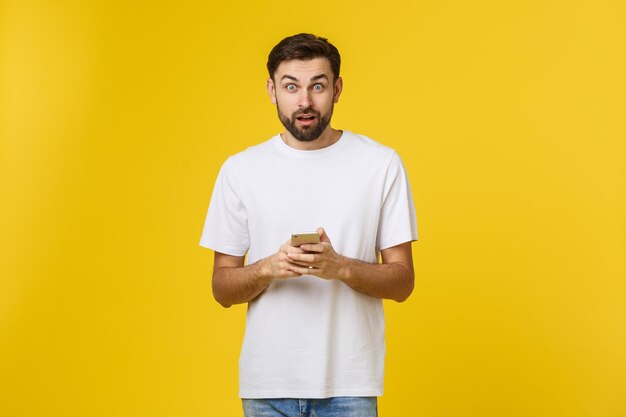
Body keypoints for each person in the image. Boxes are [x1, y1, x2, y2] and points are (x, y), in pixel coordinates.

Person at [200, 33, 418, 417]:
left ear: (336, 89)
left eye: (317, 85)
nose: (304, 101)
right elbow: (222, 288)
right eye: (291, 86)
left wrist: (341, 267)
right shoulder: (240, 170)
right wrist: (269, 267)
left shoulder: (381, 164)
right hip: (267, 386)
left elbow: (403, 283)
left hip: (350, 385)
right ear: (272, 90)